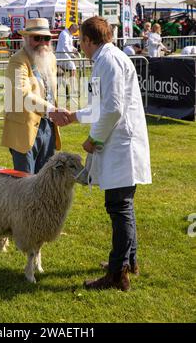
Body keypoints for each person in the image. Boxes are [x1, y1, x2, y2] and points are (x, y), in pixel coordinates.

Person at [68, 16, 152, 291]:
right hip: (118, 143)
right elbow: (99, 107)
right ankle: (129, 261)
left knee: (119, 207)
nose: (80, 46)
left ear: (89, 40)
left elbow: (113, 109)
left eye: (81, 41)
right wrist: (71, 117)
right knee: (122, 206)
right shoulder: (106, 59)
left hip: (120, 145)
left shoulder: (109, 61)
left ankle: (118, 274)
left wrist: (93, 139)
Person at [1, 18, 68, 174]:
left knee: (45, 181)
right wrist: (50, 109)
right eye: (37, 38)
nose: (42, 42)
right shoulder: (18, 60)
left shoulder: (51, 58)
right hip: (25, 128)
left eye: (46, 38)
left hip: (48, 127)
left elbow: (50, 90)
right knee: (25, 183)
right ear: (26, 38)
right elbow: (22, 93)